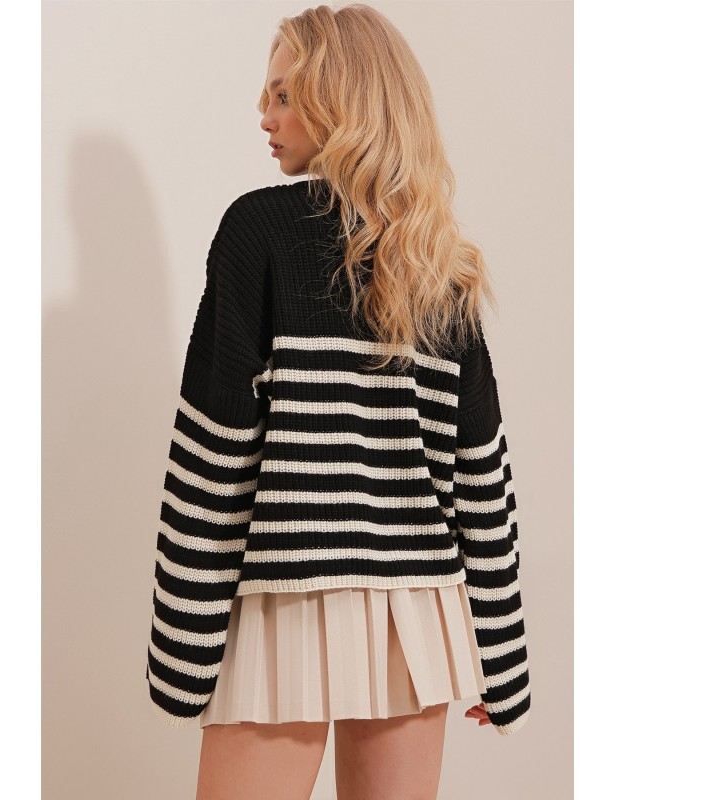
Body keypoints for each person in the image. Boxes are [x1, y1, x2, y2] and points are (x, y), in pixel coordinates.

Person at [145, 4, 530, 798]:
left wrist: (181, 654)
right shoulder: (438, 260)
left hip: (289, 592)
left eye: (284, 94)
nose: (264, 115)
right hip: (416, 619)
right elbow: (481, 481)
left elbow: (214, 456)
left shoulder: (259, 231)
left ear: (342, 101)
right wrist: (504, 658)